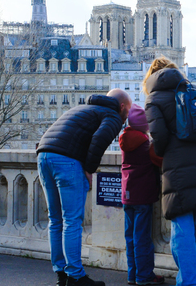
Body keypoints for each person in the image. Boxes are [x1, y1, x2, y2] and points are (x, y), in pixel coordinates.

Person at [143, 57, 196, 286]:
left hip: (179, 170)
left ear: (151, 77)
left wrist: (166, 150)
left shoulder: (154, 100)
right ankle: (194, 279)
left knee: (181, 231)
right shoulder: (191, 90)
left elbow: (158, 138)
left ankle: (188, 282)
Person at [37, 89, 132, 286]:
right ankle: (75, 276)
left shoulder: (82, 108)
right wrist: (89, 170)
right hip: (66, 160)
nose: (127, 116)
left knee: (55, 220)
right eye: (128, 111)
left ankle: (61, 274)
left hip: (43, 155)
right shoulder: (113, 115)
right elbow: (99, 141)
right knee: (71, 220)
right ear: (122, 106)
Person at [119, 103, 165, 285]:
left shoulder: (124, 139)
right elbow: (159, 161)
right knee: (143, 237)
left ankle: (132, 274)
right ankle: (144, 275)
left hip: (127, 194)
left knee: (130, 236)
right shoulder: (145, 143)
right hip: (143, 195)